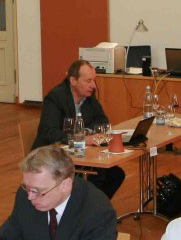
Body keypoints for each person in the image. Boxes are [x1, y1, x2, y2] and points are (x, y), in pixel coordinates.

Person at [33, 59, 126, 199]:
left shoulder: (89, 96)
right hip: (52, 155)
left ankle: (95, 208)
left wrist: (86, 133)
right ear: (73, 80)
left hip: (79, 153)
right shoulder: (55, 98)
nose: (93, 85)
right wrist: (81, 139)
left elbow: (102, 121)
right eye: (88, 81)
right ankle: (87, 209)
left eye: (94, 80)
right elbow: (48, 132)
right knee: (97, 178)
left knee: (116, 175)